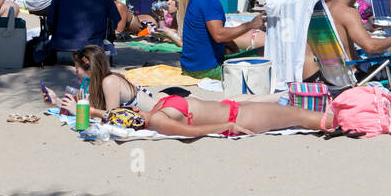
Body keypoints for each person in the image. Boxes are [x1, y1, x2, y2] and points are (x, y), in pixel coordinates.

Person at [54, 46, 326, 137]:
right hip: (238, 117)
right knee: (307, 117)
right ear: (136, 117)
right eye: (131, 113)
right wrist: (227, 125)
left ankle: (297, 97)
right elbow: (193, 132)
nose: (132, 109)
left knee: (301, 114)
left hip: (222, 110)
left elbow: (110, 113)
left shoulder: (152, 110)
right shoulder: (159, 120)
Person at [180, 0, 267, 79]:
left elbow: (214, 35)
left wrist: (234, 48)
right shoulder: (209, 0)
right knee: (266, 53)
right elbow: (219, 35)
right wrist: (250, 25)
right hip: (206, 70)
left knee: (258, 53)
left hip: (191, 67)